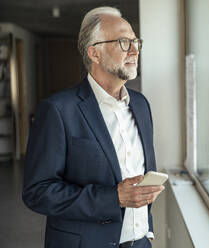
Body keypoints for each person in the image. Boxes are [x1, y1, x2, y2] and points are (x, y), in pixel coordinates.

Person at [22, 6, 164, 248]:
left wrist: (146, 232)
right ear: (94, 53)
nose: (134, 50)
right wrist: (113, 198)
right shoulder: (57, 110)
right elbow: (37, 192)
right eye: (122, 42)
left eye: (135, 41)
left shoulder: (141, 105)